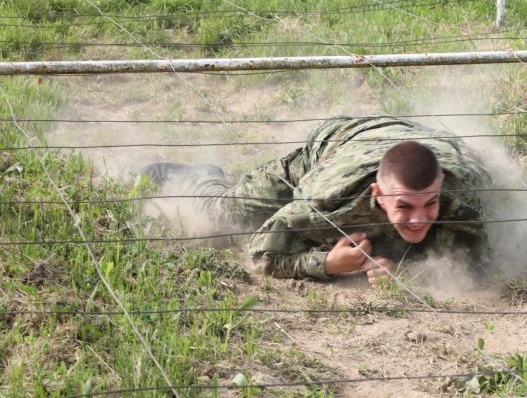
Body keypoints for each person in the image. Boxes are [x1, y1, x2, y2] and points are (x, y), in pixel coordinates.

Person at [140, 116, 490, 286]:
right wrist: (328, 263)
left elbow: (478, 260)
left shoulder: (464, 194)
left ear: (441, 186)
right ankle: (201, 175)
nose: (418, 219)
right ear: (378, 195)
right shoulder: (327, 199)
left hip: (413, 137)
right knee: (223, 212)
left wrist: (408, 274)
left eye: (429, 204)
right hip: (332, 148)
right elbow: (263, 253)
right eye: (404, 207)